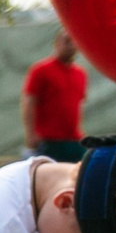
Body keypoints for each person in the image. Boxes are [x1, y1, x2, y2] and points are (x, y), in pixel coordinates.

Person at [22, 29, 89, 162]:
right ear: (56, 44)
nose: (71, 46)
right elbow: (29, 102)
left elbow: (76, 105)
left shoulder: (80, 73)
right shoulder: (41, 70)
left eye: (74, 42)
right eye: (67, 42)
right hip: (48, 140)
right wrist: (31, 134)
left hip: (73, 139)